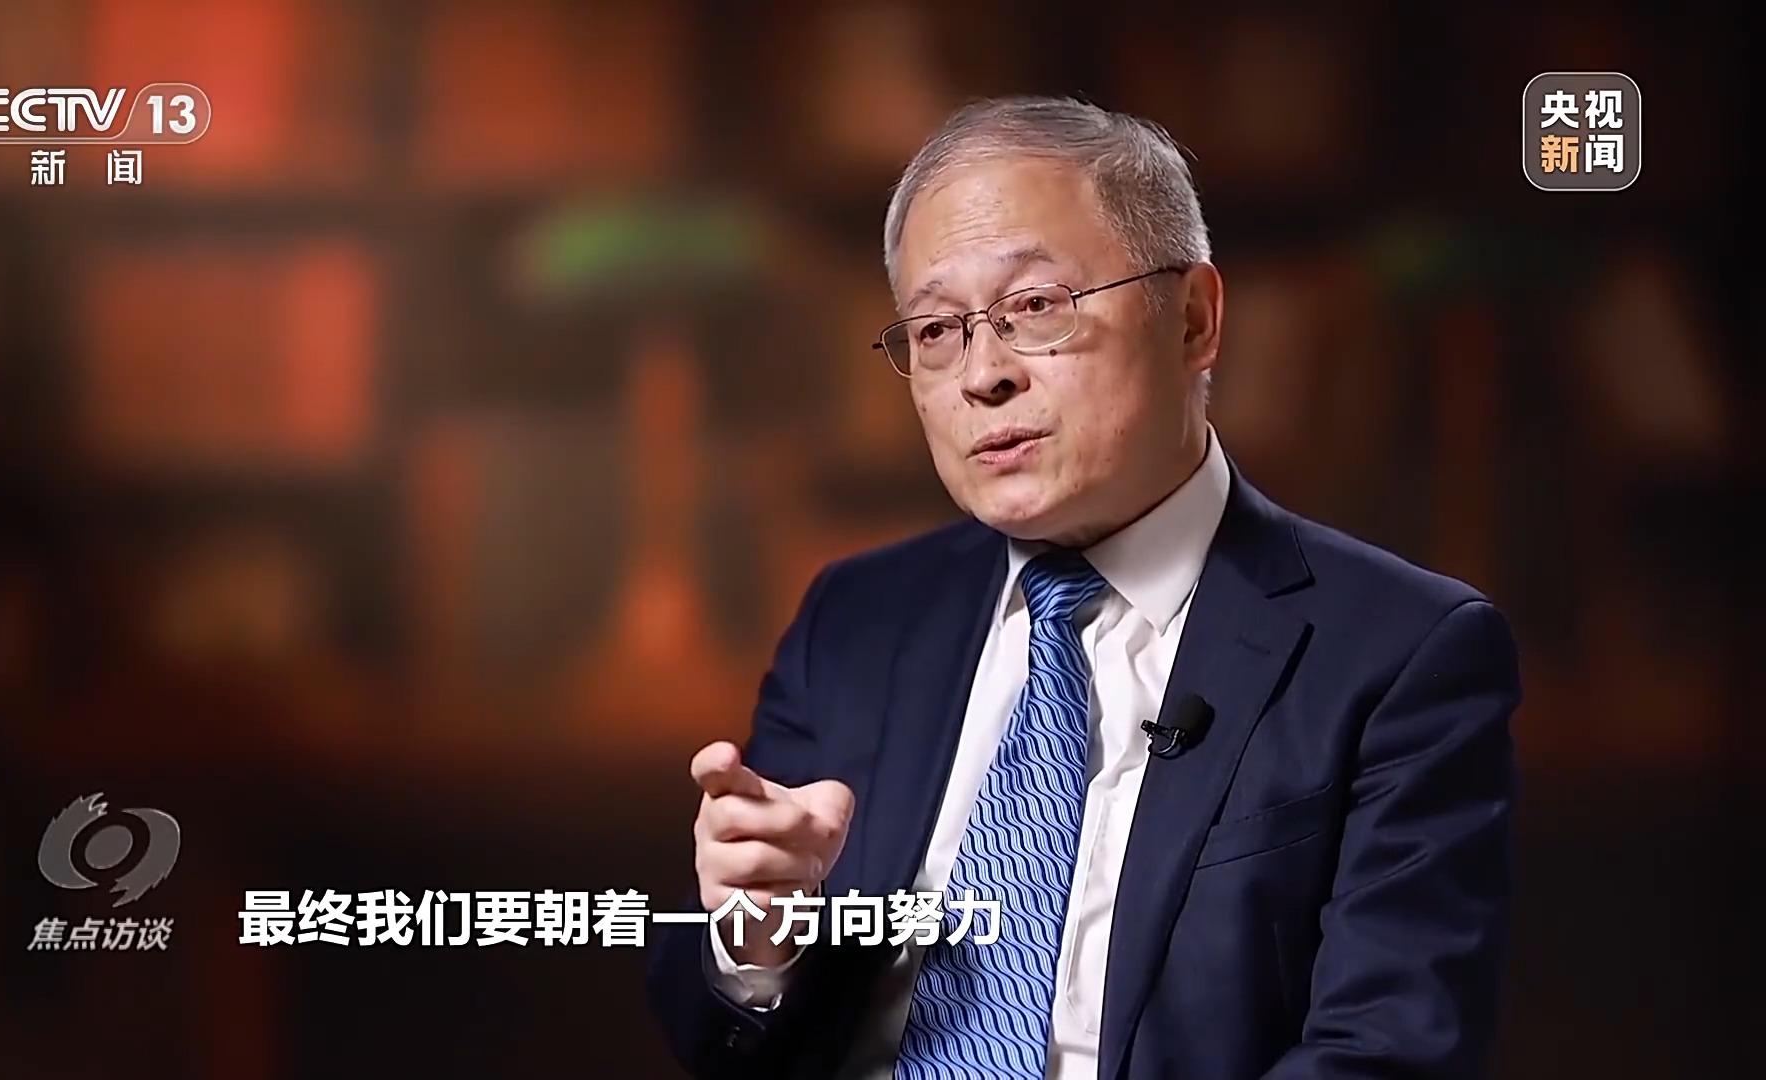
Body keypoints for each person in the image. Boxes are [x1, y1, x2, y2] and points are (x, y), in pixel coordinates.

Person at [644, 95, 1520, 1080]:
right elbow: (716, 1040)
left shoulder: (1402, 653)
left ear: (1193, 320)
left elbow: (1386, 1056)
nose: (982, 376)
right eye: (935, 330)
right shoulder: (855, 620)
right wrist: (758, 945)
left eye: (1035, 309)